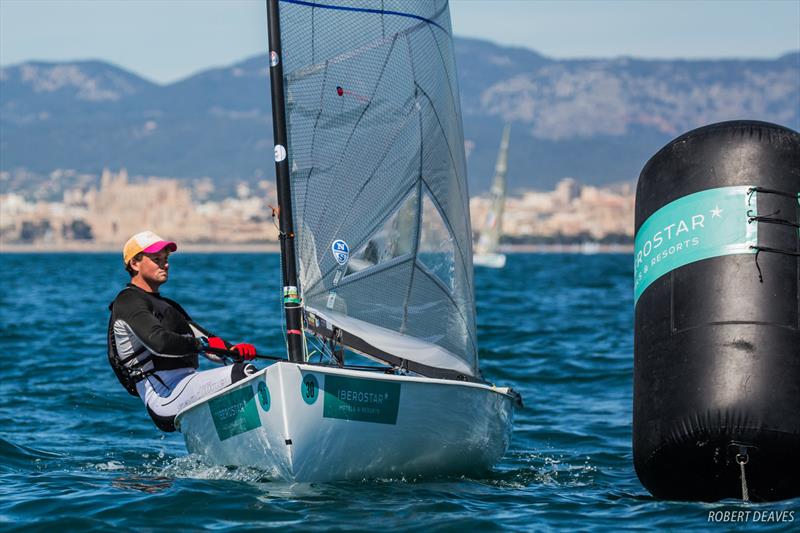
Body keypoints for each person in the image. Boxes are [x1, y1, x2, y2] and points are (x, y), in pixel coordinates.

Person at [107, 230, 258, 432]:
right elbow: (159, 342)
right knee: (243, 374)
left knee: (254, 373)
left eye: (166, 259)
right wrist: (201, 346)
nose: (165, 264)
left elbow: (207, 341)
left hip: (186, 384)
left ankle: (236, 443)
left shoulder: (169, 306)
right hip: (163, 395)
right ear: (135, 264)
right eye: (156, 259)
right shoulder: (128, 301)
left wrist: (233, 351)